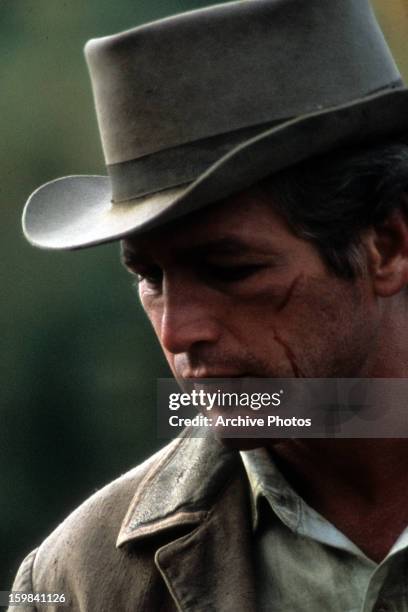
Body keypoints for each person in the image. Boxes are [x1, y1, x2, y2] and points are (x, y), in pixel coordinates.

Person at [9, 0, 408, 610]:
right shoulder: (80, 581)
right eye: (150, 277)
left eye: (231, 270)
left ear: (385, 247)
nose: (176, 331)